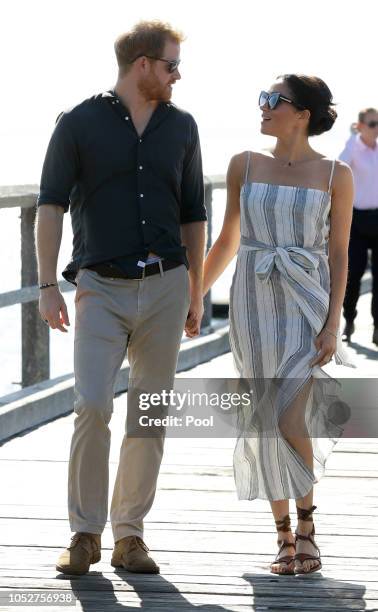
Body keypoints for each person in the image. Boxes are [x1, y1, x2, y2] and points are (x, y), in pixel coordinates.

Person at [35, 20, 207, 575]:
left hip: (166, 284)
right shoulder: (78, 123)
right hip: (100, 287)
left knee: (149, 412)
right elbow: (50, 208)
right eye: (170, 64)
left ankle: (130, 535)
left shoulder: (182, 127)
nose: (177, 74)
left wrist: (196, 291)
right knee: (92, 403)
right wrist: (44, 287)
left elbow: (192, 215)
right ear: (142, 65)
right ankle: (84, 532)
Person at [203, 74, 355, 575]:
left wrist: (333, 322)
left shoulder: (337, 174)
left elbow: (338, 253)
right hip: (250, 301)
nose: (263, 107)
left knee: (290, 415)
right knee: (265, 418)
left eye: (274, 100)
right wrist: (194, 295)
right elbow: (227, 239)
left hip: (305, 301)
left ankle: (307, 527)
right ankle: (283, 537)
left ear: (303, 113)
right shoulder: (244, 164)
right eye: (262, 99)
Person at [339, 107, 378, 344]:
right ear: (360, 126)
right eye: (372, 124)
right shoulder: (353, 149)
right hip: (357, 221)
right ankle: (349, 320)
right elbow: (339, 168)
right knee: (353, 275)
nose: (376, 129)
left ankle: (377, 327)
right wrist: (352, 139)